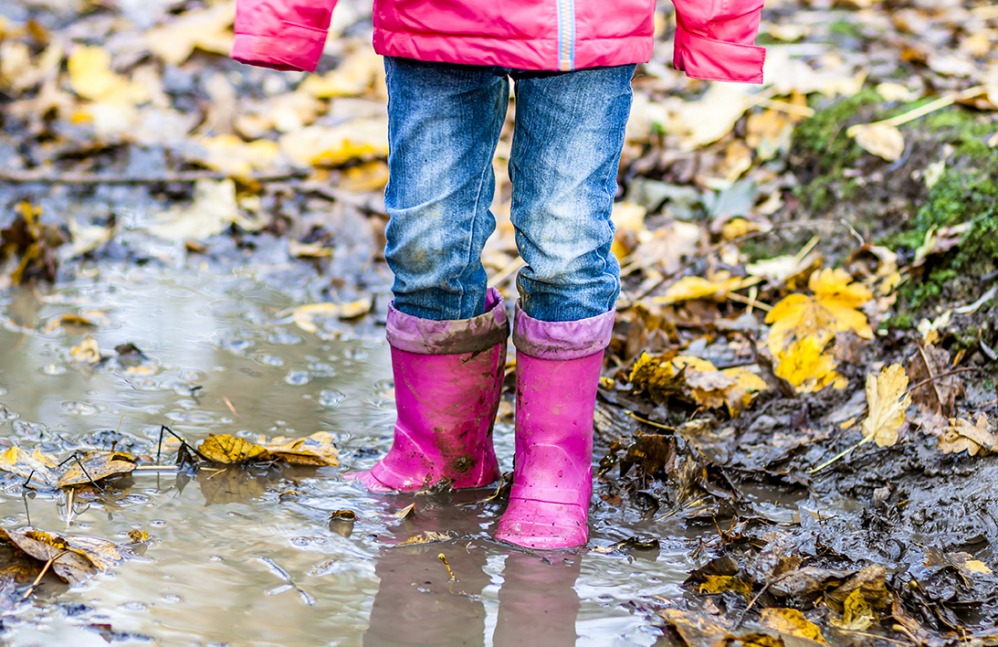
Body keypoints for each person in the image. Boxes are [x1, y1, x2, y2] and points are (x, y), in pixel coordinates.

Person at [232, 0, 766, 549]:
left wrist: (718, 29)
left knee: (567, 242)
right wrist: (283, 23)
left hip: (585, 26)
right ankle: (440, 454)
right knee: (426, 242)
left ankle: (553, 469)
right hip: (434, 19)